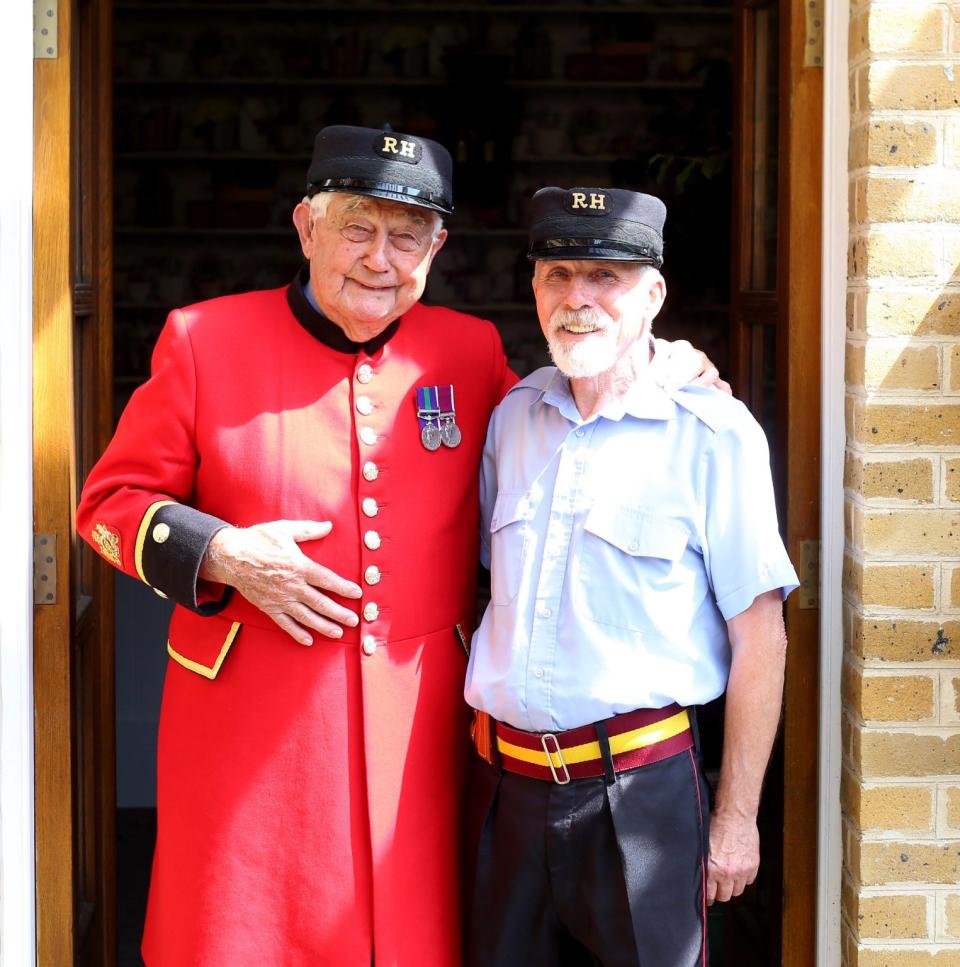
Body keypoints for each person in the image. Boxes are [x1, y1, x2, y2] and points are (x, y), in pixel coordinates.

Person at [79, 128, 723, 966]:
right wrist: (223, 551)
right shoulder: (203, 339)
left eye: (407, 234)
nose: (380, 258)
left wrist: (657, 357)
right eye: (357, 228)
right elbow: (109, 504)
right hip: (248, 735)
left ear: (438, 247)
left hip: (421, 736)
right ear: (306, 228)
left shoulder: (469, 350)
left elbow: (567, 420)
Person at [465, 186, 800, 967]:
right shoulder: (512, 417)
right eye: (557, 274)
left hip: (639, 794)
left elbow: (761, 636)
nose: (577, 298)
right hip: (506, 792)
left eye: (604, 276)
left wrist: (737, 817)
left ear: (653, 294)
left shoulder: (714, 433)